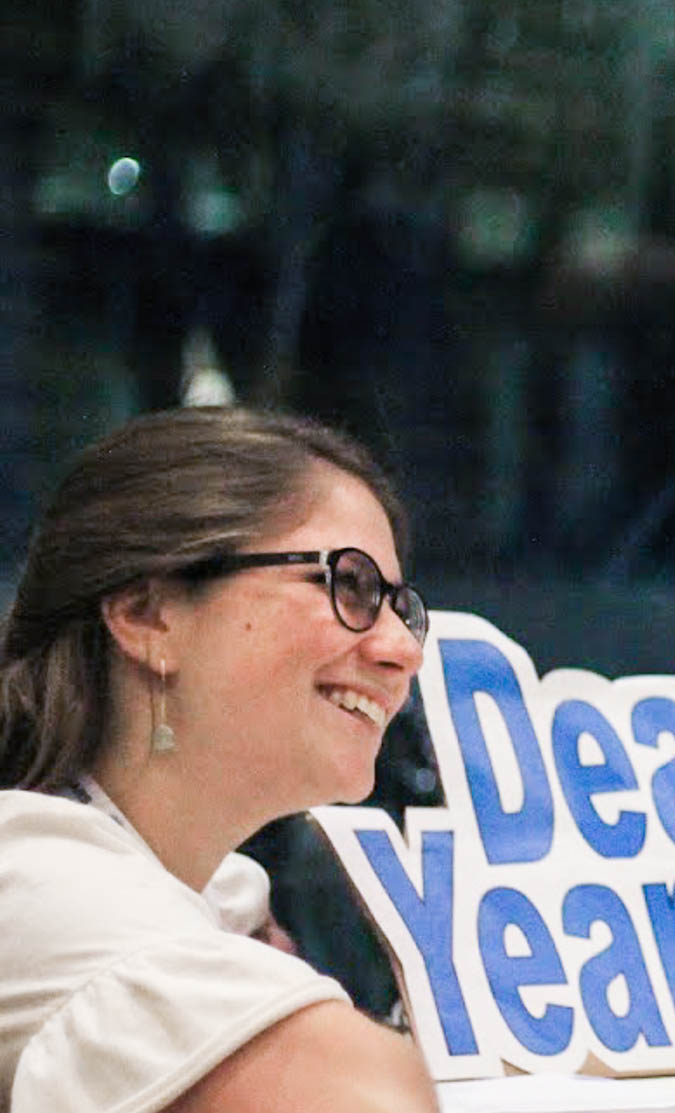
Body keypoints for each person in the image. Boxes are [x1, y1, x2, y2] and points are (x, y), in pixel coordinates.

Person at [0, 407, 438, 1112]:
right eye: (348, 586)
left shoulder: (226, 903)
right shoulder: (29, 874)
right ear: (147, 614)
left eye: (400, 606)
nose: (404, 649)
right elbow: (363, 1094)